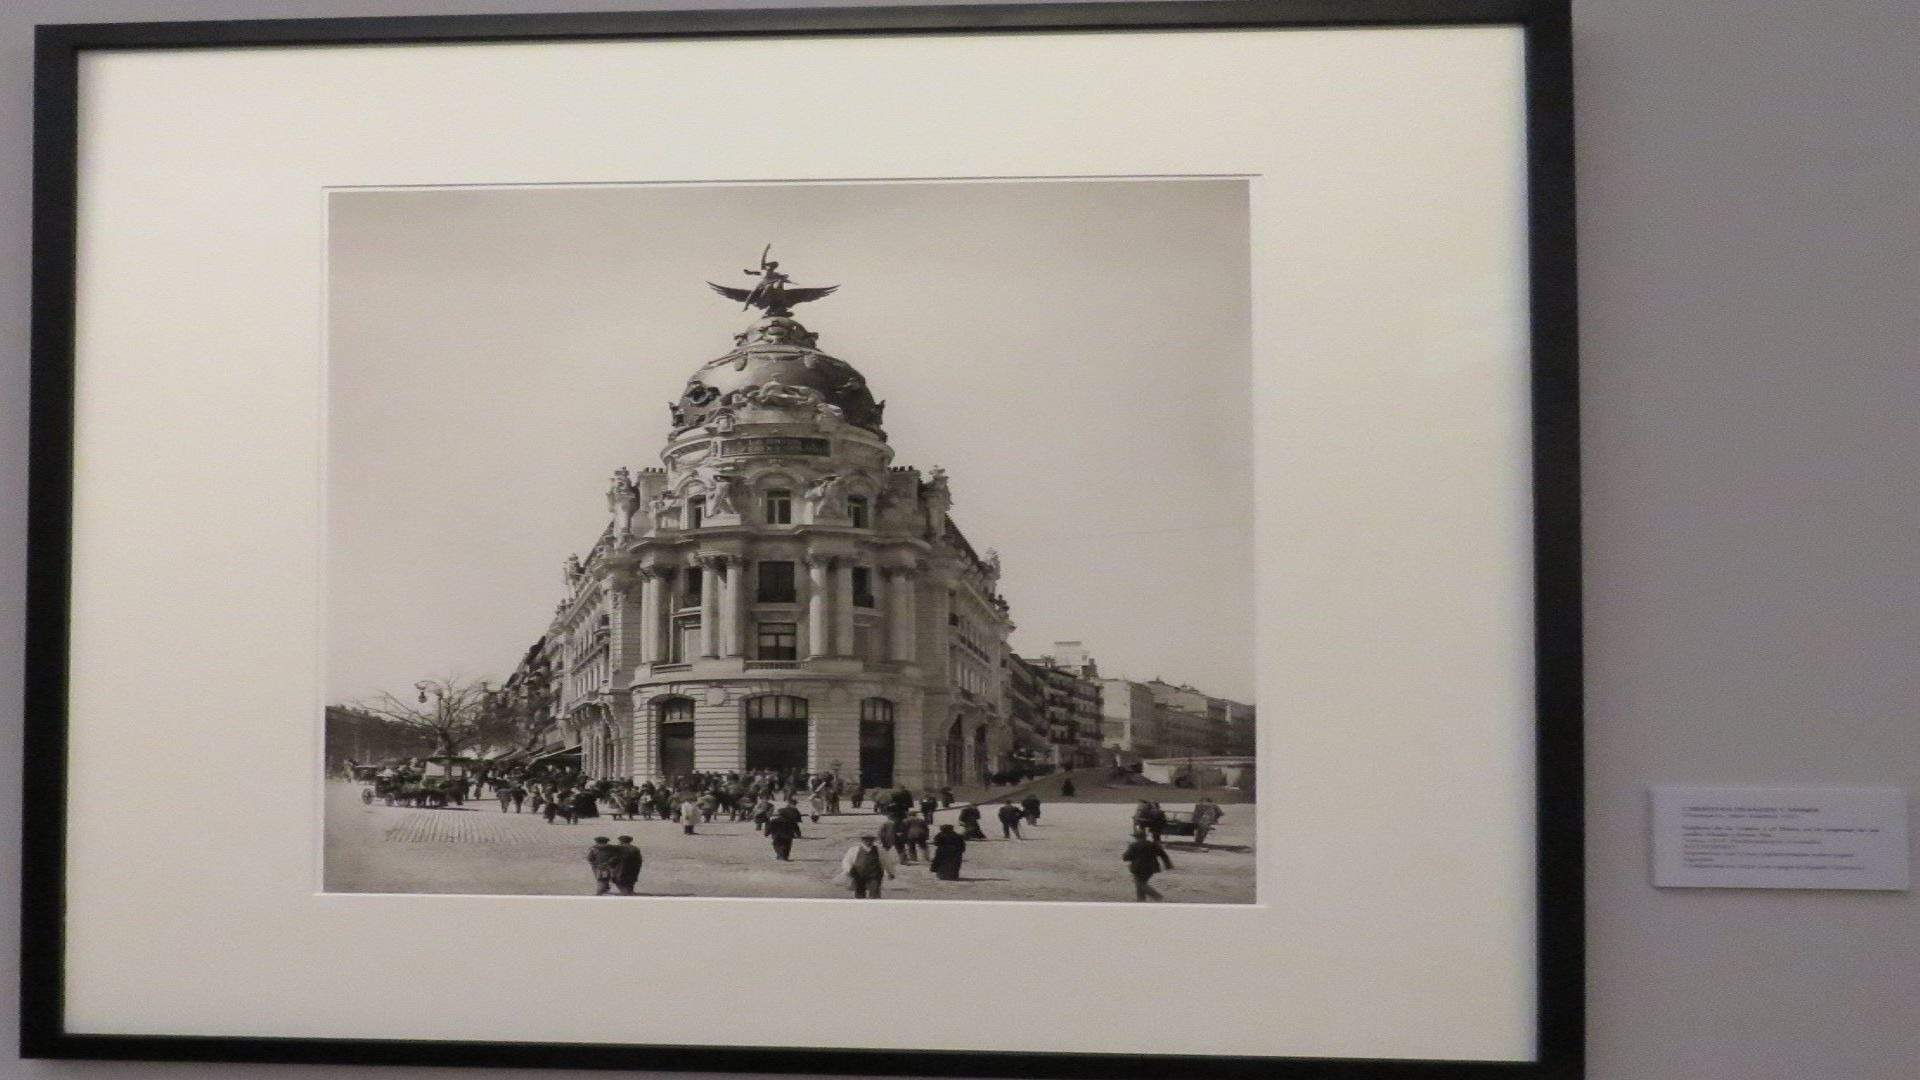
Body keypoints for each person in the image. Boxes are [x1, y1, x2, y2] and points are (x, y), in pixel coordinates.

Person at [1123, 833, 1175, 901]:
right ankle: (1141, 900)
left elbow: (1126, 858)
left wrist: (1130, 851)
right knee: (1141, 883)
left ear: (1136, 837)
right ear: (1145, 837)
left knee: (1140, 884)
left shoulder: (1134, 845)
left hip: (1138, 868)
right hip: (1151, 868)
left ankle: (1156, 896)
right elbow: (1163, 854)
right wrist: (1168, 865)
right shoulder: (1152, 844)